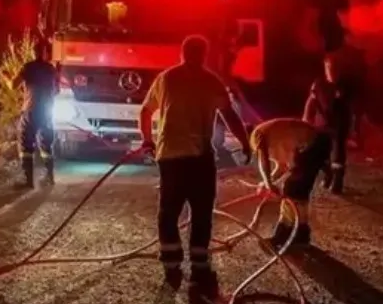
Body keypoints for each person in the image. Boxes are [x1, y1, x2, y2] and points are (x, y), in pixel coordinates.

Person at [139, 35, 253, 289]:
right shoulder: (211, 82)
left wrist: (148, 140)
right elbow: (230, 115)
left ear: (182, 52)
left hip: (170, 157)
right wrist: (245, 142)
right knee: (201, 214)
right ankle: (200, 267)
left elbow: (146, 111)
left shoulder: (167, 78)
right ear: (204, 54)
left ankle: (171, 265)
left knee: (168, 212)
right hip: (200, 159)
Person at [250, 116, 333, 249]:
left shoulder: (258, 135)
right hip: (320, 142)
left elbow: (263, 160)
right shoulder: (275, 134)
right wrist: (268, 182)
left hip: (313, 145)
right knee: (300, 194)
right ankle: (301, 235)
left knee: (291, 191)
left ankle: (283, 236)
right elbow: (281, 167)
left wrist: (268, 184)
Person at [12, 39, 60, 188]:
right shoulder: (51, 69)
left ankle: (28, 181)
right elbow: (57, 90)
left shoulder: (28, 68)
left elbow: (13, 85)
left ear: (33, 52)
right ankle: (49, 177)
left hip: (31, 110)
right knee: (46, 144)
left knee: (26, 143)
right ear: (45, 53)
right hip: (47, 111)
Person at [303, 52, 354, 194]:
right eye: (329, 67)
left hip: (339, 126)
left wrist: (352, 128)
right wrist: (306, 118)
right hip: (321, 126)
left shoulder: (345, 86)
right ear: (325, 68)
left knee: (338, 153)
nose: (332, 71)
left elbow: (350, 109)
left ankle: (338, 181)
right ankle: (327, 174)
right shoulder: (319, 84)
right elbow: (311, 101)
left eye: (335, 68)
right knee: (318, 153)